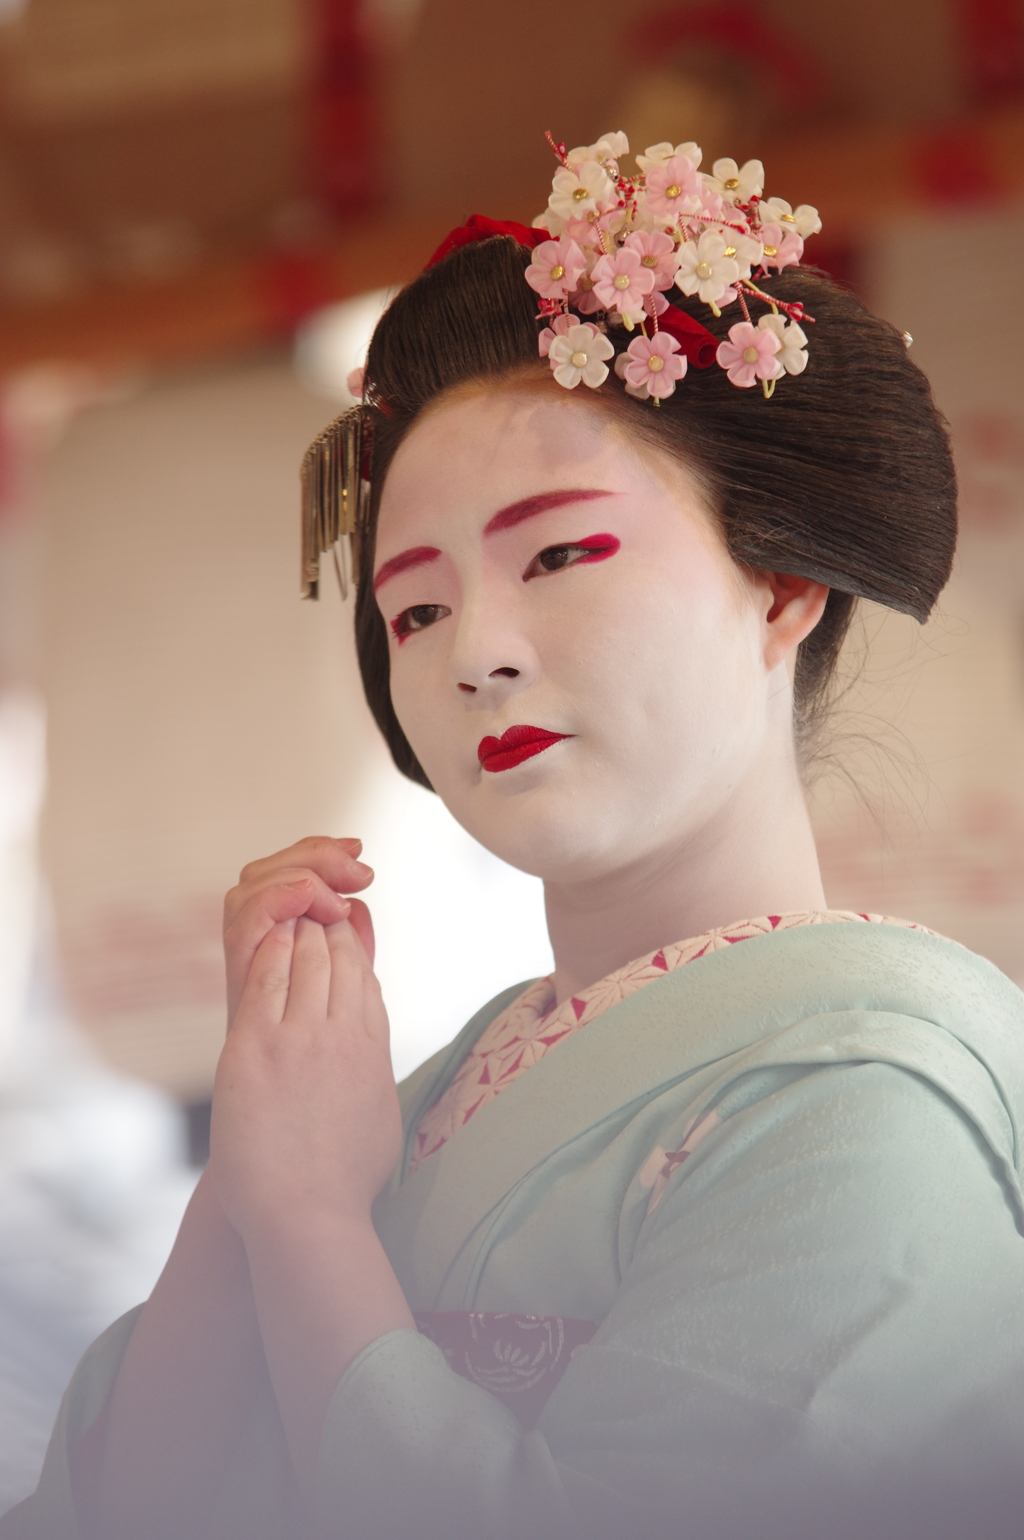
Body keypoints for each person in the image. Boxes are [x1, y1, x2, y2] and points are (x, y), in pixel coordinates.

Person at [7, 132, 1024, 1540]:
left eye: (559, 556)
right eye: (415, 608)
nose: (473, 653)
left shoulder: (871, 1097)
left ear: (782, 584)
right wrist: (255, 1175)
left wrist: (310, 1230)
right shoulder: (430, 1089)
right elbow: (117, 1509)